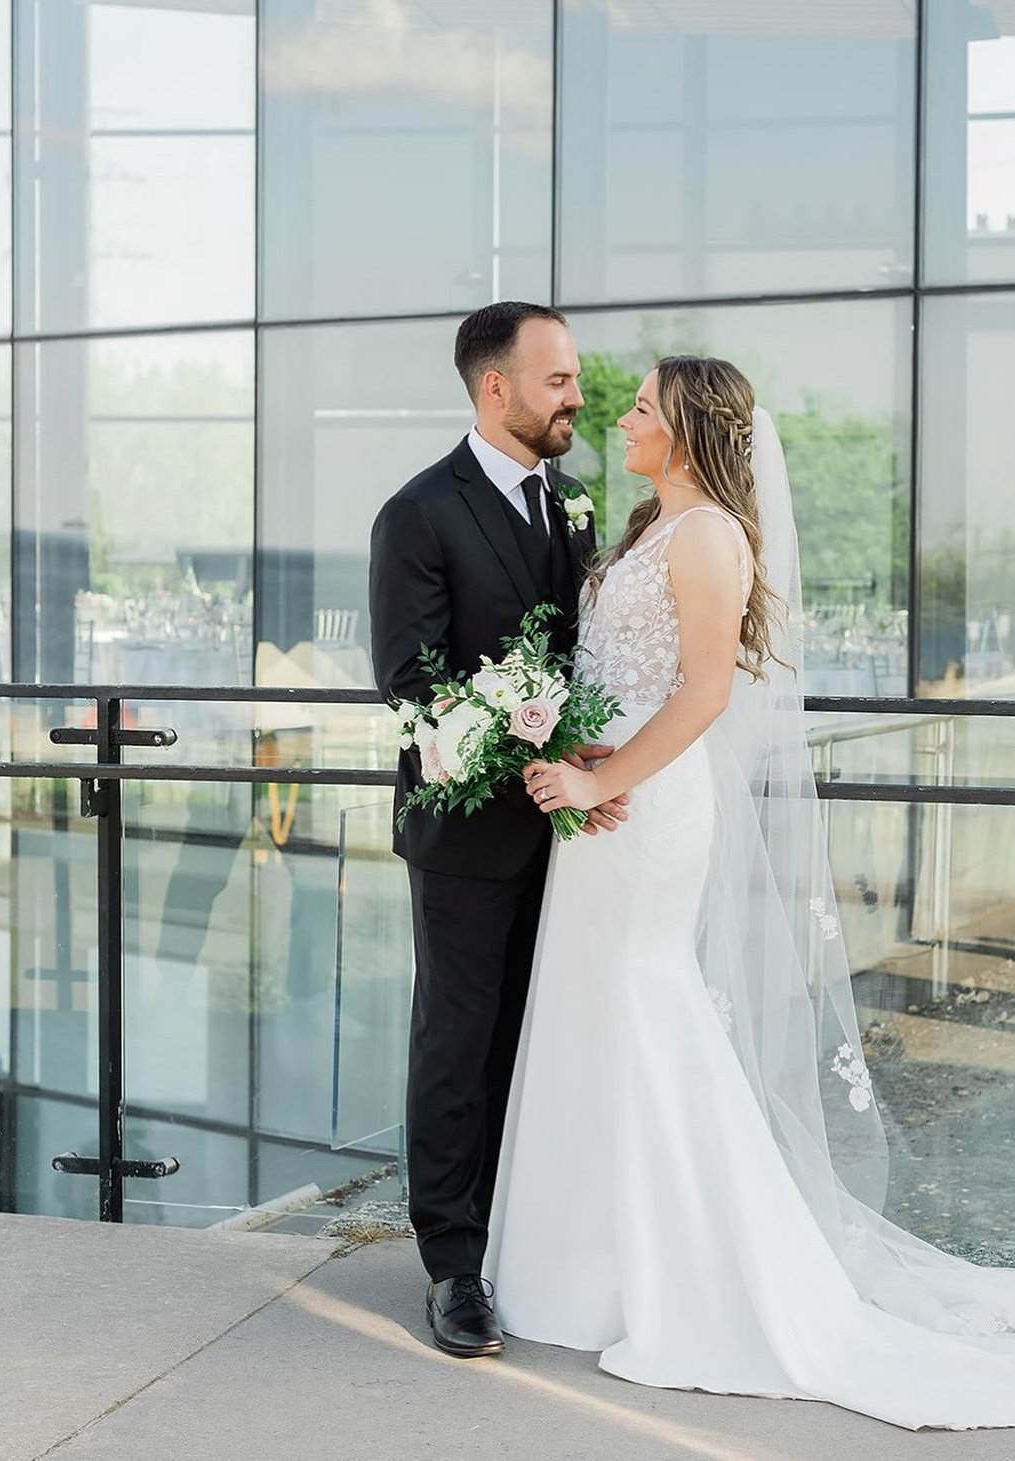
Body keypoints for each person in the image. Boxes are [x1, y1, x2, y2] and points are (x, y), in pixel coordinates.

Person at [483, 354, 1015, 1430]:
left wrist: (600, 777)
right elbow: (624, 677)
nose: (625, 417)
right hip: (599, 806)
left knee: (643, 1008)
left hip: (646, 814)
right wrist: (561, 747)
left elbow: (706, 693)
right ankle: (583, 1269)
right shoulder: (646, 532)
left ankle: (692, 1275)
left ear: (692, 429)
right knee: (588, 1017)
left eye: (646, 405)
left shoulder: (707, 539)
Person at [369, 302, 627, 1360]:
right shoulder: (418, 512)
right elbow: (411, 684)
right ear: (497, 390)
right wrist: (520, 739)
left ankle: (528, 1238)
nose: (578, 397)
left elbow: (585, 657)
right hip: (467, 835)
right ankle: (453, 1268)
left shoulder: (570, 504)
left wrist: (589, 747)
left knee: (539, 1037)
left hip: (570, 831)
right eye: (559, 380)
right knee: (458, 1043)